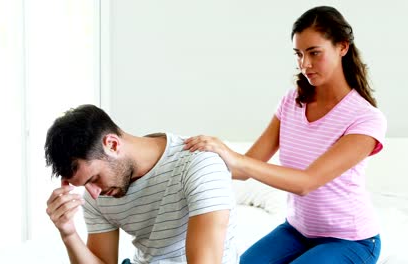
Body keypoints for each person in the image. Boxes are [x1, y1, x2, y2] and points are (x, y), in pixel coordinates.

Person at [184, 6, 386, 264]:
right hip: (297, 231)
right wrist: (194, 153)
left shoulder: (365, 118)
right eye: (299, 54)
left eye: (314, 53)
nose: (305, 65)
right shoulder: (292, 102)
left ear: (342, 47)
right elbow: (244, 169)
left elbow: (306, 182)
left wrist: (232, 156)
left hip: (351, 239)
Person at [44, 104, 238, 264]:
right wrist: (68, 233)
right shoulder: (100, 195)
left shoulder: (199, 164)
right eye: (84, 185)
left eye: (93, 179)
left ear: (112, 144)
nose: (94, 194)